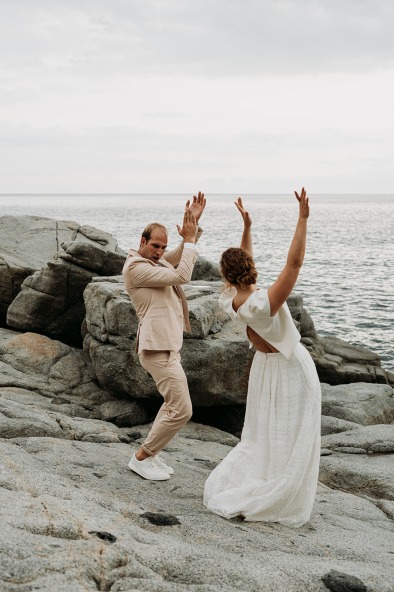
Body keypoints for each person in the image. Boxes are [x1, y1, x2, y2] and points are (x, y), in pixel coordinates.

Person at [203, 189, 321, 527]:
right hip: (290, 366)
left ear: (226, 277)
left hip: (266, 368)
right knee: (289, 433)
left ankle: (268, 478)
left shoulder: (232, 300)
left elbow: (244, 261)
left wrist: (248, 227)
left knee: (264, 433)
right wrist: (302, 219)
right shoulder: (263, 302)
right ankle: (281, 487)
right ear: (250, 270)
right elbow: (294, 263)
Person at [122, 192, 206, 481]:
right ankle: (141, 457)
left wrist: (192, 225)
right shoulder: (137, 268)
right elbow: (182, 274)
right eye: (155, 246)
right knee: (182, 409)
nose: (160, 251)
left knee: (172, 405)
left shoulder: (155, 262)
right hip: (156, 350)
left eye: (163, 247)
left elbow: (177, 258)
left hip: (169, 347)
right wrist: (191, 241)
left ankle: (151, 454)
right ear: (142, 242)